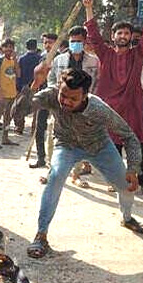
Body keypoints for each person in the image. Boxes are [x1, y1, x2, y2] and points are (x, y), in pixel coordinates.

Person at [25, 68, 143, 258]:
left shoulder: (99, 109)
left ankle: (127, 218)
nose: (66, 102)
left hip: (99, 147)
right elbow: (18, 111)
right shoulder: (51, 95)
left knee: (125, 186)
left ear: (85, 95)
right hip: (66, 145)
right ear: (59, 87)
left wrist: (133, 169)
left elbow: (129, 137)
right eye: (63, 95)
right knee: (55, 178)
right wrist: (34, 84)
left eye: (73, 99)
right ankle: (41, 235)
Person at [83, 0, 143, 196]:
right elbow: (93, 33)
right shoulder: (105, 53)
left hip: (133, 106)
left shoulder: (138, 54)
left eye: (127, 33)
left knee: (138, 143)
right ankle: (115, 179)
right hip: (110, 107)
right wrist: (89, 8)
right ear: (113, 36)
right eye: (119, 33)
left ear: (130, 37)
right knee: (111, 145)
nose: (123, 36)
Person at [46, 26, 100, 188]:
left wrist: (89, 100)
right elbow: (50, 79)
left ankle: (75, 174)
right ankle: (51, 171)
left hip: (82, 105)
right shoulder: (59, 60)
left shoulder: (93, 61)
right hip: (60, 104)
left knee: (78, 139)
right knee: (53, 137)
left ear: (85, 42)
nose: (75, 44)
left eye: (78, 41)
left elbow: (97, 82)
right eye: (72, 41)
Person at [31, 33, 58, 168]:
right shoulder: (42, 57)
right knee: (39, 127)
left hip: (57, 98)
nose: (47, 45)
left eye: (50, 42)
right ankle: (41, 158)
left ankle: (55, 161)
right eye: (45, 42)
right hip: (43, 96)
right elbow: (38, 77)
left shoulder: (61, 58)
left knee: (56, 129)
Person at [0, 38, 19, 149]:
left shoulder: (13, 61)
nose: (9, 49)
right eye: (6, 47)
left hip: (12, 94)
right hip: (1, 95)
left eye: (11, 47)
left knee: (8, 117)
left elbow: (18, 73)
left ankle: (5, 138)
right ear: (2, 48)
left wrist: (15, 60)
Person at [14, 38, 42, 135]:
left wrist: (17, 87)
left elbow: (18, 74)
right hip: (37, 85)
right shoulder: (40, 59)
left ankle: (19, 127)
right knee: (36, 108)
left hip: (23, 86)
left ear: (26, 47)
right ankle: (34, 129)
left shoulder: (21, 59)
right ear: (36, 46)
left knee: (20, 107)